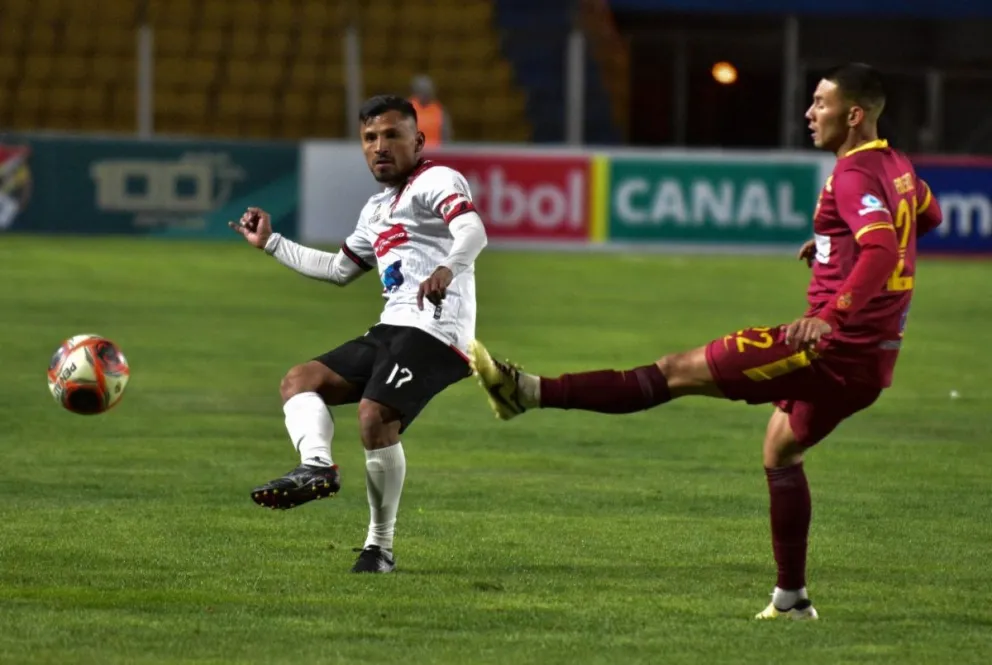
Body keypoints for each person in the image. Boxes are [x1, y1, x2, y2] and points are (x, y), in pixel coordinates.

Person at [468, 63, 943, 618]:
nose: (810, 113)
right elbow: (924, 218)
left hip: (831, 348)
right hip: (874, 362)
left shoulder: (853, 175)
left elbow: (883, 250)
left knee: (673, 371)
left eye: (821, 103)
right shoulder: (897, 164)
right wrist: (832, 249)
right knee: (780, 449)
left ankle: (526, 392)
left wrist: (833, 313)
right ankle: (790, 600)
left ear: (854, 114)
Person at [229, 95, 487, 573]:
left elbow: (473, 230)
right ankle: (318, 467)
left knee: (374, 415)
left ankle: (379, 548)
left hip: (438, 330)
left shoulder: (436, 180)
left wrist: (448, 268)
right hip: (392, 327)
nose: (380, 146)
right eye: (370, 138)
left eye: (392, 135)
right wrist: (271, 242)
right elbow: (339, 269)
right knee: (299, 380)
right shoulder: (376, 209)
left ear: (418, 140)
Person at [409, 75, 452, 148]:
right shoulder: (407, 108)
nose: (425, 94)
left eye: (427, 91)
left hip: (436, 153)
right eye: (422, 91)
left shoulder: (439, 110)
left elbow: (446, 135)